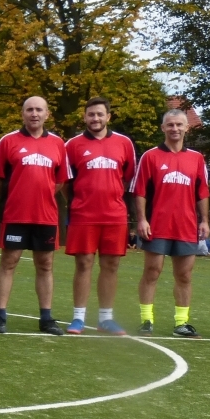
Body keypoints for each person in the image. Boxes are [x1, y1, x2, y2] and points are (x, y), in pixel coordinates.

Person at [0, 96, 70, 335]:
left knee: (45, 265)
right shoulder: (8, 141)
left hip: (45, 216)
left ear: (47, 114)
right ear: (22, 114)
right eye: (29, 110)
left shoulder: (58, 144)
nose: (34, 114)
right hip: (15, 214)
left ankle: (46, 318)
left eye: (39, 110)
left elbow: (59, 180)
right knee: (9, 262)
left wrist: (42, 194)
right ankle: (0, 316)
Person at [131, 108, 210, 337]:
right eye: (170, 125)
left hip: (186, 226)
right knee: (152, 271)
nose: (175, 129)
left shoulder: (196, 158)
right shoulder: (150, 156)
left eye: (179, 125)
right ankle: (146, 320)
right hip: (157, 224)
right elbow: (140, 191)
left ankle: (181, 323)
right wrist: (143, 219)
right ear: (163, 128)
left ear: (187, 128)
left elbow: (202, 192)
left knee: (184, 275)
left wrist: (204, 220)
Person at [63, 97, 137, 335]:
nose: (95, 118)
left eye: (99, 114)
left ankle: (106, 318)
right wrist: (78, 202)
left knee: (111, 265)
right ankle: (78, 318)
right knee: (84, 264)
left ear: (108, 117)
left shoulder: (124, 143)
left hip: (114, 215)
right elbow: (65, 181)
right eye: (91, 115)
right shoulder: (72, 145)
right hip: (84, 214)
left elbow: (127, 178)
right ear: (85, 117)